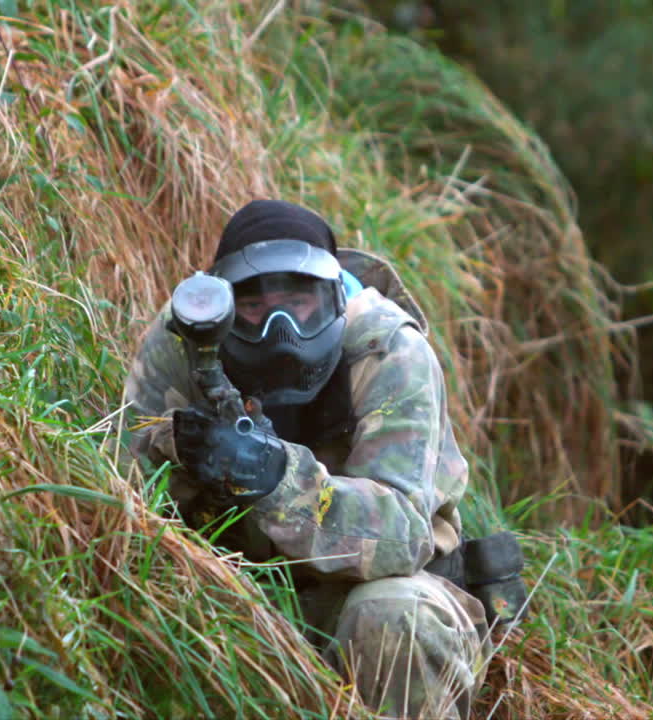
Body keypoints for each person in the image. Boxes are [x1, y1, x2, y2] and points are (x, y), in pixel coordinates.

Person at [123, 199, 490, 718]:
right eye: (253, 308)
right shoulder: (189, 334)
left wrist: (277, 480)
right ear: (223, 303)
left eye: (298, 303)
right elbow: (122, 481)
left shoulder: (388, 350)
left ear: (333, 297)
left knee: (391, 620)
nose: (280, 328)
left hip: (371, 590)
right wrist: (182, 451)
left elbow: (403, 534)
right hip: (235, 579)